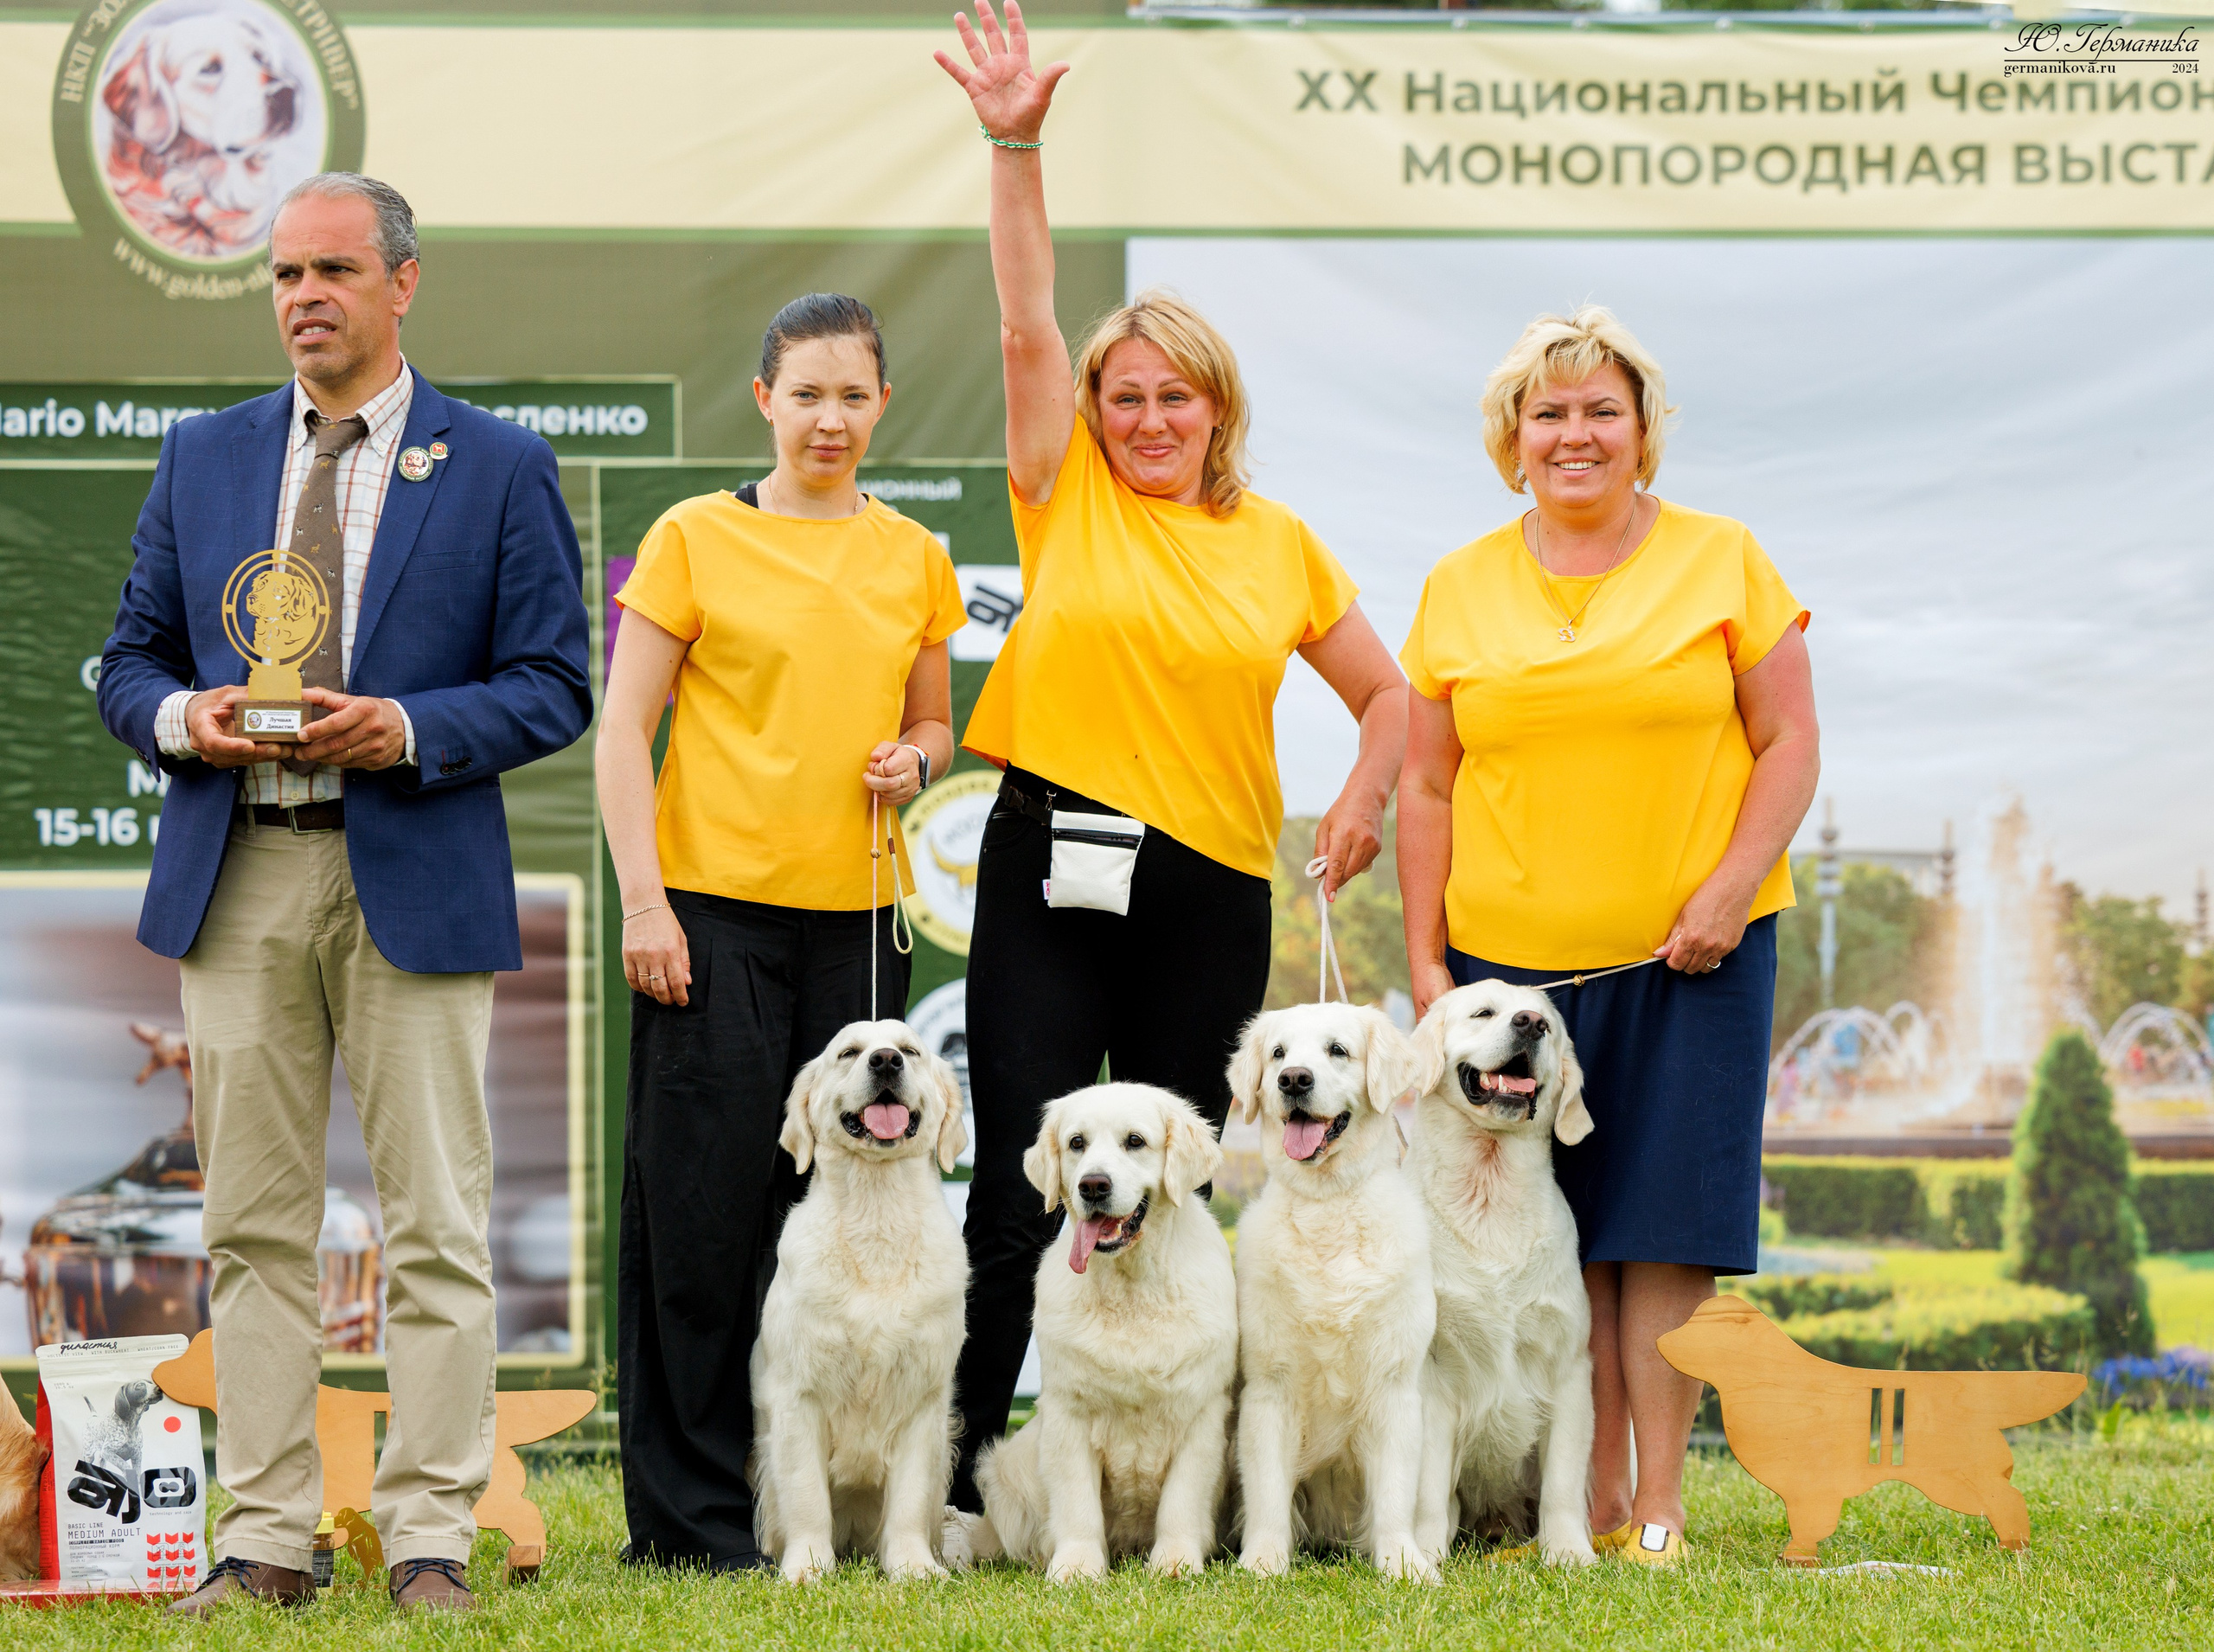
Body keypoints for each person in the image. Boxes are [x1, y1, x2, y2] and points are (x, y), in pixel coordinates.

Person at [934, 1, 1409, 1511]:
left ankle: (1219, 1492)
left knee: (1182, 1181)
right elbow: (1022, 320)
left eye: (1173, 396)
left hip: (1211, 887)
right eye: (1122, 395)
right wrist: (1015, 144)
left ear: (1219, 410)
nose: (1144, 417)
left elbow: (1389, 699)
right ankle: (948, 1485)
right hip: (1049, 860)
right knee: (1026, 1180)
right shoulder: (1060, 489)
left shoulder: (1280, 545)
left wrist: (1358, 800)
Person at [97, 173, 592, 1614]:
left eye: (331, 269)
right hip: (236, 868)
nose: (303, 295)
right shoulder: (202, 457)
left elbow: (556, 682)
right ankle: (265, 1537)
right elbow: (126, 663)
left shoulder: (496, 462)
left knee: (436, 1218)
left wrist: (414, 729)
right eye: (283, 274)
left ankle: (429, 1528)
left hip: (413, 868)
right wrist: (185, 720)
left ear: (402, 282)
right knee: (251, 1221)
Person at [1398, 305, 1819, 1565]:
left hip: (1696, 960)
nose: (1574, 434)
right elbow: (1427, 784)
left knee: (1662, 1228)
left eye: (1601, 412)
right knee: (1555, 1230)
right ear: (1511, 438)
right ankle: (1577, 1501)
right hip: (1508, 977)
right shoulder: (1458, 582)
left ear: (1643, 435)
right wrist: (1429, 963)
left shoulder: (1727, 559)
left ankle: (1661, 1508)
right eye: (1549, 413)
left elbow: (1789, 744)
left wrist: (1733, 888)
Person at [598, 294, 965, 1572]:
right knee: (700, 1220)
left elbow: (938, 727)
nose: (829, 417)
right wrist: (647, 904)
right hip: (708, 921)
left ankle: (840, 1512)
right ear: (764, 398)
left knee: (857, 1218)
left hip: (859, 926)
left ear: (879, 405)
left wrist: (912, 762)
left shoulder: (915, 555)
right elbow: (619, 734)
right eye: (805, 393)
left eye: (852, 394)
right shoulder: (696, 535)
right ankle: (693, 1523)